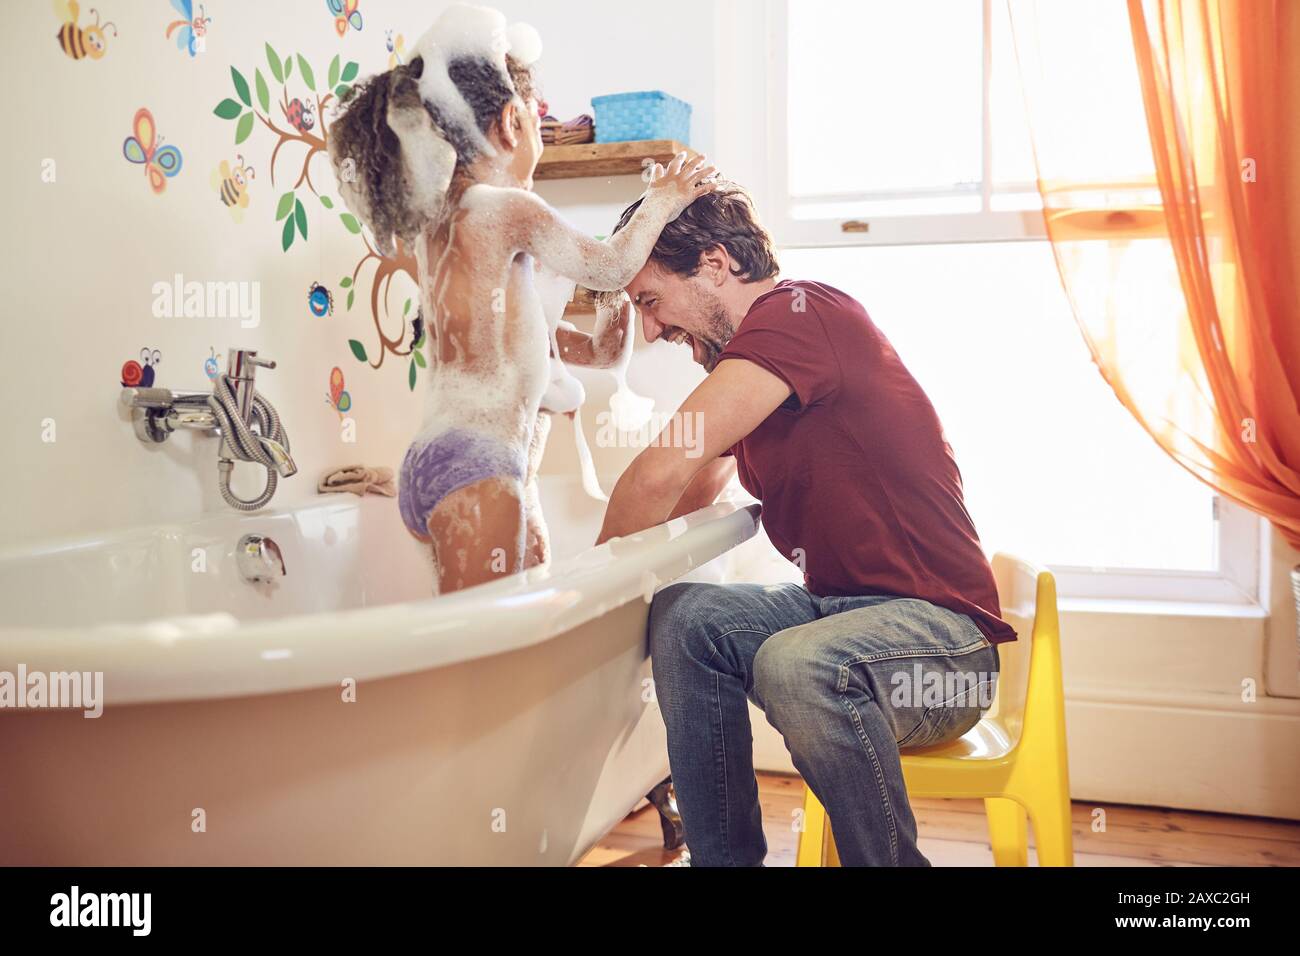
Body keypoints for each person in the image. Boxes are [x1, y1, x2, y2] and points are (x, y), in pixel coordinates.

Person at [596, 182, 1016, 866]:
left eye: (648, 300)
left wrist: (587, 598)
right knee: (686, 618)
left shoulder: (801, 315)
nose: (649, 330)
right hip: (845, 618)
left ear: (714, 263)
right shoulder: (756, 367)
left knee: (796, 664)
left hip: (946, 655)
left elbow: (655, 476)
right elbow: (692, 481)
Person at [327, 6, 717, 593]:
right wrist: (661, 200)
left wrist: (617, 300)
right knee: (484, 653)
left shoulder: (436, 236)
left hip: (454, 466)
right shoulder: (506, 209)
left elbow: (601, 353)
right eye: (537, 122)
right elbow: (611, 265)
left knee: (524, 624)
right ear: (512, 122)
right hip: (479, 472)